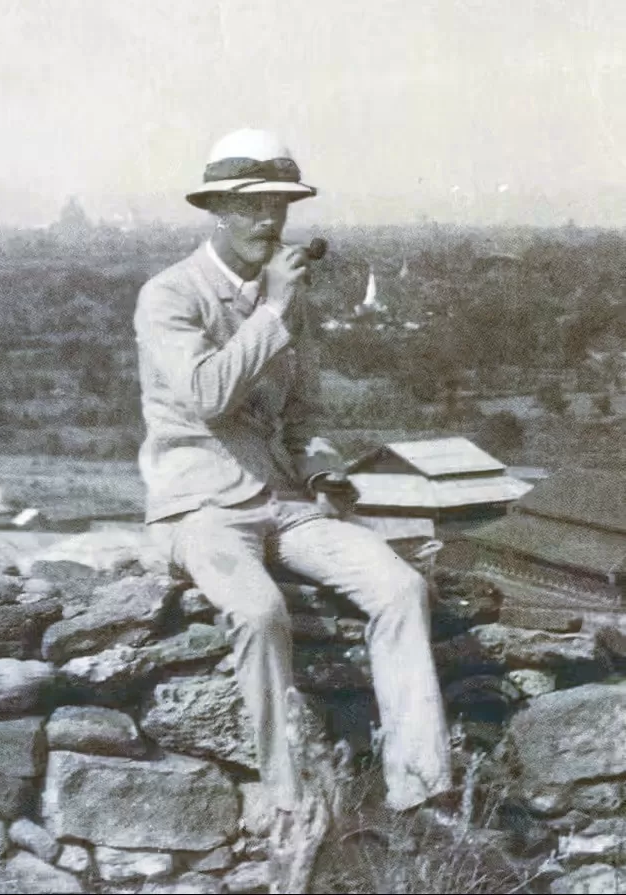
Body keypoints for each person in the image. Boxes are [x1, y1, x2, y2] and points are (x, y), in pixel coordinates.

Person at [133, 128, 451, 816]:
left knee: (400, 586)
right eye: (251, 205)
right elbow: (208, 395)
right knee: (258, 608)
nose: (270, 220)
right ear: (216, 207)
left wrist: (322, 473)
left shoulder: (290, 302)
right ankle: (289, 801)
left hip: (283, 499)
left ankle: (421, 789)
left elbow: (305, 415)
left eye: (280, 204)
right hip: (200, 505)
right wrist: (272, 308)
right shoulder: (169, 295)